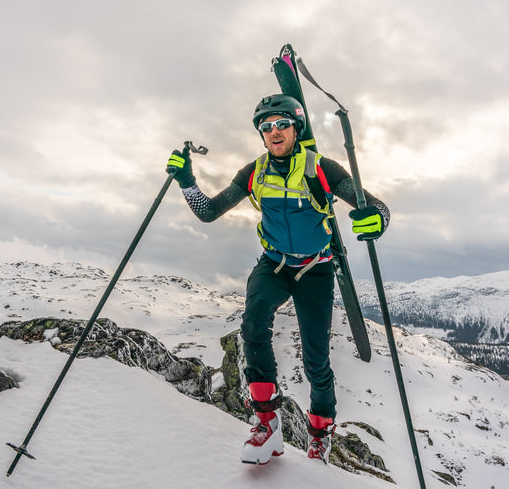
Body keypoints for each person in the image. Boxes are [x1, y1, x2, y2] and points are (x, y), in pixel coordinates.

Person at [166, 94, 389, 465]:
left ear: (296, 127)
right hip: (274, 264)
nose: (274, 131)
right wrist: (186, 181)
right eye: (266, 127)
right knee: (254, 322)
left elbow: (374, 205)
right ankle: (267, 423)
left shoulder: (321, 168)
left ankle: (320, 434)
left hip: (315, 269)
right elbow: (209, 211)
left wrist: (377, 220)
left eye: (282, 124)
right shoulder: (254, 172)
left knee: (316, 359)